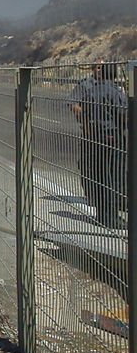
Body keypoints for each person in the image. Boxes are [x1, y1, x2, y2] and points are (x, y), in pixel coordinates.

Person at [70, 63, 127, 229]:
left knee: (101, 176)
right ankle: (111, 216)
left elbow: (84, 114)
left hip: (96, 137)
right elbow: (123, 114)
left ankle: (104, 214)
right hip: (112, 137)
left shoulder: (91, 92)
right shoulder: (114, 91)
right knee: (114, 177)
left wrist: (90, 130)